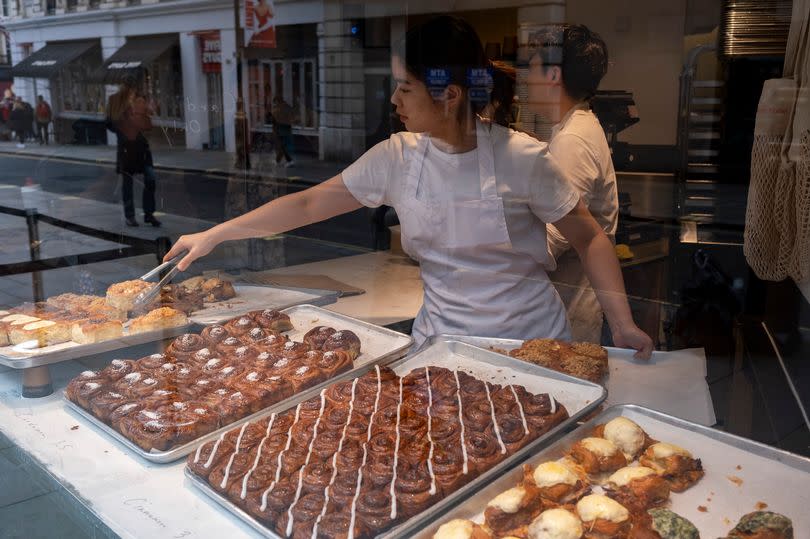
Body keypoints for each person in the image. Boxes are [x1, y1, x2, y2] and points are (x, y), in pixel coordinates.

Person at [164, 16, 653, 358]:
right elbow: (310, 202)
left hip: (528, 344)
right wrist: (216, 234)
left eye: (406, 86)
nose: (394, 98)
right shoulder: (398, 156)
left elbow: (590, 237)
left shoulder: (522, 157)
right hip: (441, 345)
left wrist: (624, 324)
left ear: (450, 95)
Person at [526, 24, 618, 344]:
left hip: (568, 316)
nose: (527, 78)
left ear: (553, 75)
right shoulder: (574, 128)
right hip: (565, 309)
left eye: (533, 67)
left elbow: (550, 241)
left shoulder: (573, 140)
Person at [106, 84, 161, 227]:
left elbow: (148, 121)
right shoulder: (116, 103)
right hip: (126, 150)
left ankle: (149, 214)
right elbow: (109, 123)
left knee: (150, 180)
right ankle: (129, 216)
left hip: (142, 149)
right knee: (128, 184)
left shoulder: (141, 99)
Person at [271, 95, 295, 167]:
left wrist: (274, 130)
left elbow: (275, 121)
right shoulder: (287, 107)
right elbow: (291, 118)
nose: (274, 104)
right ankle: (278, 160)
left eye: (275, 102)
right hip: (286, 129)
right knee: (282, 146)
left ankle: (289, 161)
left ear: (277, 101)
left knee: (282, 147)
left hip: (280, 130)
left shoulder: (277, 109)